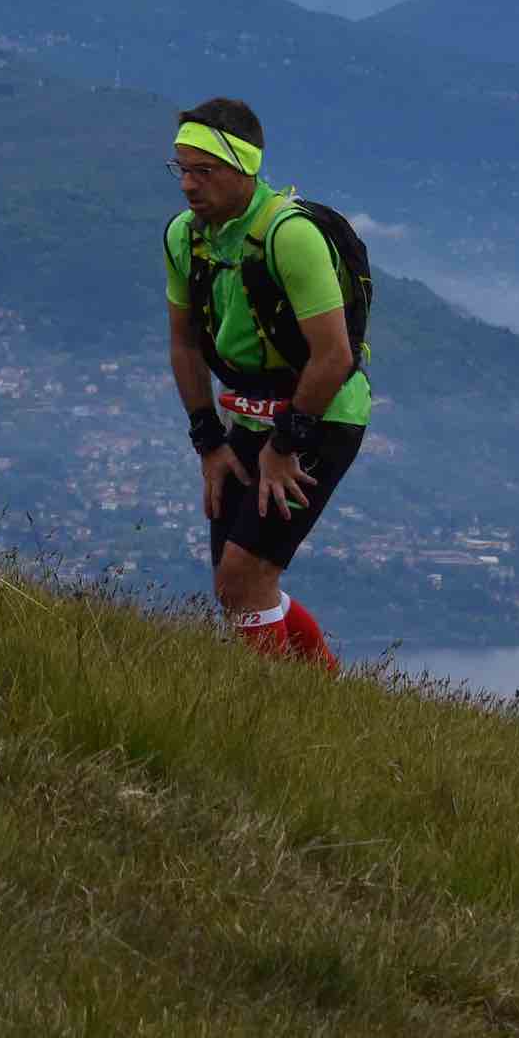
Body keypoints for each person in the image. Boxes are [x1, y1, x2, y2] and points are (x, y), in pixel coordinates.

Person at [162, 97, 369, 670]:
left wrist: (283, 446)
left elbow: (334, 356)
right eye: (181, 169)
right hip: (249, 414)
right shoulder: (184, 238)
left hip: (322, 413)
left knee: (244, 576)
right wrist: (209, 441)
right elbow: (184, 344)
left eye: (204, 171)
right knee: (235, 586)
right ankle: (325, 694)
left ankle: (275, 710)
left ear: (245, 168)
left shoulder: (289, 235)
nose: (188, 184)